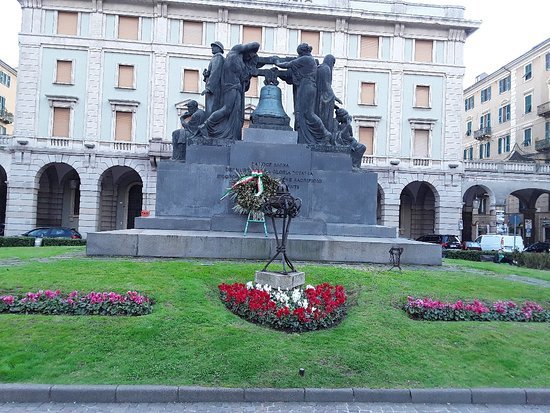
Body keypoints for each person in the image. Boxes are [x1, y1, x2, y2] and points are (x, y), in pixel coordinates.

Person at [199, 42, 260, 140]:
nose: (249, 58)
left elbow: (245, 84)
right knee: (227, 109)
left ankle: (231, 134)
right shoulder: (235, 51)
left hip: (236, 89)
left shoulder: (242, 64)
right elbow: (256, 44)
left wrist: (250, 72)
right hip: (230, 88)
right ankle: (206, 125)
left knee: (237, 114)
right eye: (250, 55)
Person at [274, 43, 332, 145]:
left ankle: (325, 133)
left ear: (302, 52)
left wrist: (276, 62)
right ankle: (321, 133)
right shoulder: (309, 60)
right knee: (302, 113)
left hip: (306, 86)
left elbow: (288, 64)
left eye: (299, 53)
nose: (299, 56)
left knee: (308, 113)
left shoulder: (307, 59)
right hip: (306, 86)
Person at [315, 54, 342, 132]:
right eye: (333, 63)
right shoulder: (326, 69)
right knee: (325, 118)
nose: (333, 65)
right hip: (324, 99)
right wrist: (335, 97)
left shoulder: (320, 67)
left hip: (318, 97)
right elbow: (327, 86)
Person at [201, 41, 225, 117]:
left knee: (211, 110)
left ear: (219, 48)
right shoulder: (216, 58)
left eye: (214, 47)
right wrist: (206, 74)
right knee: (210, 109)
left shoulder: (218, 57)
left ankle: (210, 127)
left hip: (214, 89)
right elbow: (213, 72)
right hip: (214, 88)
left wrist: (209, 88)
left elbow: (215, 73)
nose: (212, 48)